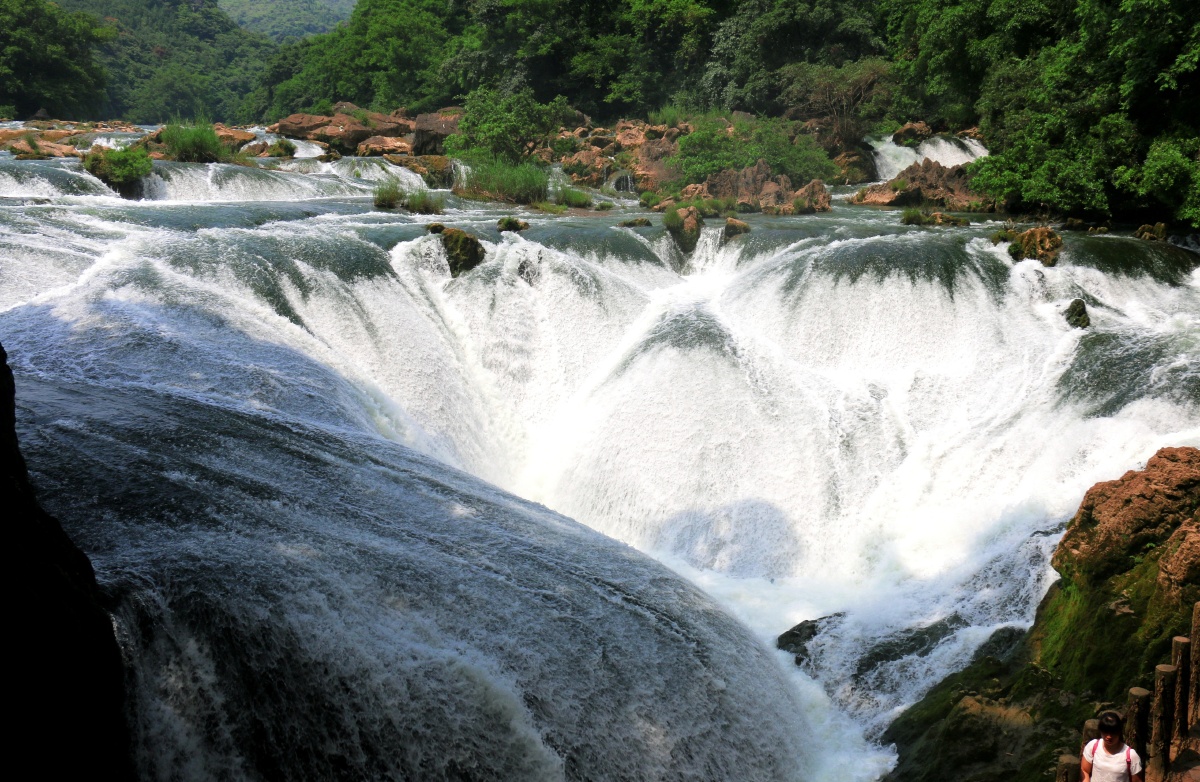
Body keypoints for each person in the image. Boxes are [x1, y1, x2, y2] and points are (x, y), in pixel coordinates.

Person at [1081, 711, 1144, 782]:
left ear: (1119, 732)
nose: (1109, 736)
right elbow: (1085, 770)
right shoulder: (1092, 746)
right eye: (1105, 732)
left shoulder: (1131, 756)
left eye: (1113, 733)